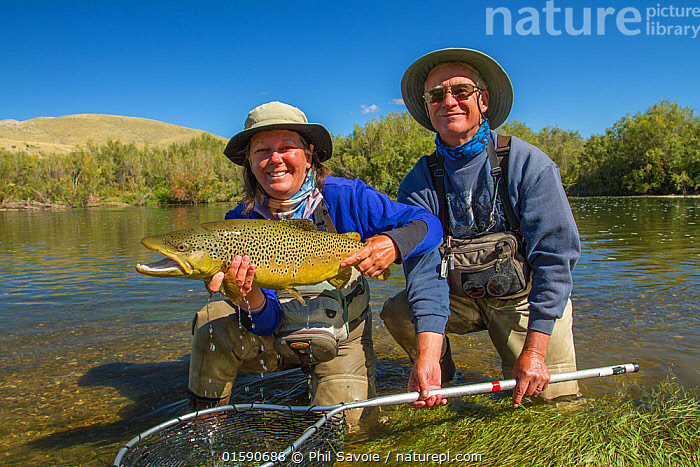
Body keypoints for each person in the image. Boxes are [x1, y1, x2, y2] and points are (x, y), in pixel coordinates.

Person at [187, 101, 443, 425]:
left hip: (341, 337)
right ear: (249, 163)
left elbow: (428, 224)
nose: (274, 159)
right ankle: (206, 426)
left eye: (286, 147)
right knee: (212, 321)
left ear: (308, 155)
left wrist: (394, 243)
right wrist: (246, 295)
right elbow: (265, 323)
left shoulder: (347, 197)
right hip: (275, 333)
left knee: (347, 432)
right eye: (262, 150)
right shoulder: (239, 223)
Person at [380, 48, 581, 408]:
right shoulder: (418, 183)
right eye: (436, 95)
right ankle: (440, 370)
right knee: (398, 310)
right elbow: (425, 272)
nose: (449, 102)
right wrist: (426, 357)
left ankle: (524, 354)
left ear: (483, 100)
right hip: (460, 299)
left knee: (552, 405)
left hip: (524, 301)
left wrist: (535, 351)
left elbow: (555, 261)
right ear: (428, 107)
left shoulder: (528, 163)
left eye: (461, 91)